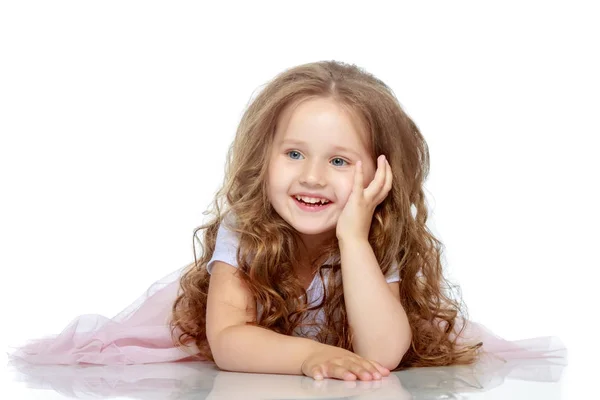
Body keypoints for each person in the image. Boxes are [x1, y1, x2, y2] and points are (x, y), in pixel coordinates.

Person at [8, 60, 566, 381]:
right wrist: (310, 356)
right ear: (264, 157)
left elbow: (381, 354)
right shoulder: (245, 227)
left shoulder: (372, 234)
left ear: (378, 176)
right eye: (294, 154)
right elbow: (228, 341)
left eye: (340, 161)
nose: (313, 178)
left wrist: (353, 236)